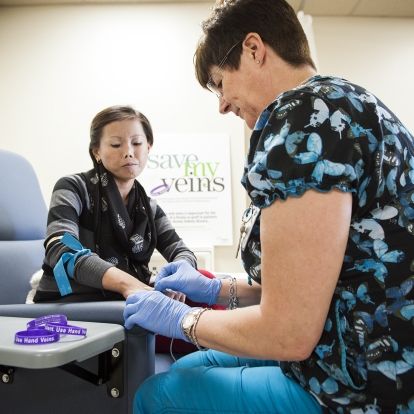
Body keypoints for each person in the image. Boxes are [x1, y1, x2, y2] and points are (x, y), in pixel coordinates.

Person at [123, 0, 414, 412]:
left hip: (366, 384)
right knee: (190, 367)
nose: (222, 104)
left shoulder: (303, 119)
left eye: (220, 83)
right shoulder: (344, 104)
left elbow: (289, 332)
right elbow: (311, 284)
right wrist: (218, 289)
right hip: (354, 348)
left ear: (254, 49)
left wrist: (182, 319)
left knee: (159, 395)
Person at [33, 105, 196, 303]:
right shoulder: (73, 188)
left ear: (148, 147)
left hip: (128, 299)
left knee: (202, 284)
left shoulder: (148, 207)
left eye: (136, 143)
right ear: (96, 152)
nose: (128, 152)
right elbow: (62, 249)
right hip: (70, 302)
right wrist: (128, 284)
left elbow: (182, 252)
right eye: (116, 145)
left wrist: (177, 280)